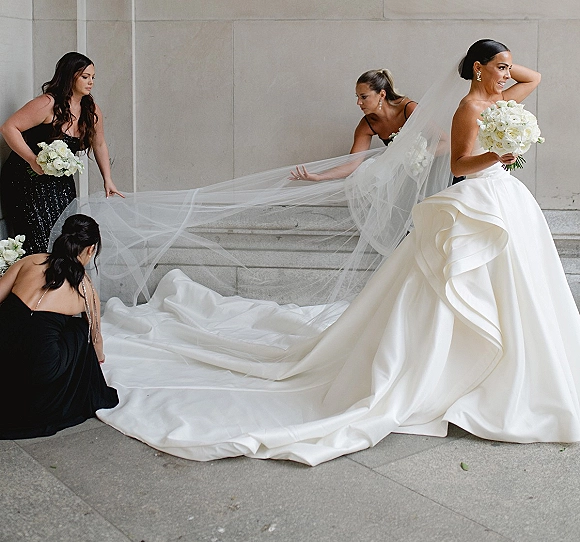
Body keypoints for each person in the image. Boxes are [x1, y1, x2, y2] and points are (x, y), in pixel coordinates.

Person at [84, 38, 580, 465]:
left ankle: (514, 368)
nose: (507, 75)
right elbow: (459, 162)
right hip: (476, 190)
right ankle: (447, 370)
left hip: (502, 198)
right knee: (451, 288)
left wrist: (502, 69)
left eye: (507, 67)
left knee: (514, 287)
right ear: (477, 70)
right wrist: (501, 152)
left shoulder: (489, 98)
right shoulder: (467, 109)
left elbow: (532, 79)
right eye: (499, 67)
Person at [0, 214, 118, 439]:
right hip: (39, 372)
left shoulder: (30, 261)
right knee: (79, 329)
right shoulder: (86, 289)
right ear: (91, 249)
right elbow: (96, 341)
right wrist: (98, 359)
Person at [0, 52, 123, 255]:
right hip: (26, 178)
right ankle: (34, 282)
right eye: (85, 77)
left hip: (60, 180)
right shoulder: (47, 103)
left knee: (65, 235)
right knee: (37, 236)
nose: (91, 82)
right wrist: (32, 160)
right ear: (70, 76)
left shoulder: (91, 109)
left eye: (93, 77)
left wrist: (107, 179)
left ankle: (59, 282)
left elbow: (99, 144)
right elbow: (8, 128)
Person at [290, 68, 417, 182]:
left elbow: (438, 141)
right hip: (404, 175)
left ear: (382, 94)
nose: (358, 102)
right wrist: (319, 177)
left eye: (364, 97)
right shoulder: (367, 124)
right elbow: (352, 164)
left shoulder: (409, 108)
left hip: (427, 167)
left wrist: (418, 155)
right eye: (357, 97)